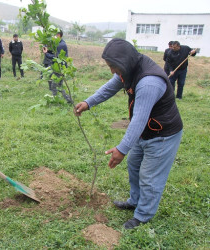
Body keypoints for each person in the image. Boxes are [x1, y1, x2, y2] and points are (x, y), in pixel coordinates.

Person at [74, 38, 183, 229]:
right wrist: (88, 102)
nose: (112, 71)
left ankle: (143, 216)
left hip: (163, 135)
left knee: (150, 177)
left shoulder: (149, 82)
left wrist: (122, 149)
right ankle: (135, 201)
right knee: (134, 165)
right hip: (145, 131)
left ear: (123, 61)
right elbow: (110, 87)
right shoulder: (129, 68)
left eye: (113, 66)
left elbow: (139, 119)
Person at [42, 30, 72, 103]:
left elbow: (56, 56)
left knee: (54, 86)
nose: (54, 36)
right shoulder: (59, 43)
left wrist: (46, 53)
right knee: (59, 85)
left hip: (59, 67)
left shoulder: (61, 45)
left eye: (55, 35)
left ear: (59, 35)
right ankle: (68, 100)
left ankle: (58, 100)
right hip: (59, 67)